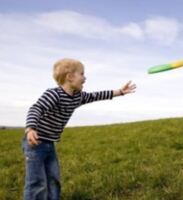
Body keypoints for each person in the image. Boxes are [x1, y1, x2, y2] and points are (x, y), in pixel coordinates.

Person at [22, 58, 136, 200]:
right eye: (82, 74)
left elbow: (97, 95)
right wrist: (30, 128)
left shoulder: (78, 97)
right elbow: (36, 108)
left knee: (53, 179)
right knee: (37, 182)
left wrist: (120, 92)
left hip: (50, 144)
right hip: (35, 143)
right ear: (70, 77)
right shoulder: (54, 94)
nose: (85, 78)